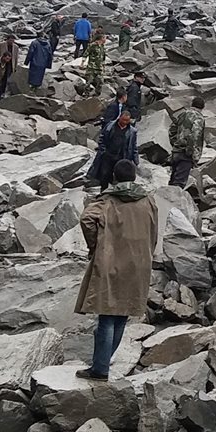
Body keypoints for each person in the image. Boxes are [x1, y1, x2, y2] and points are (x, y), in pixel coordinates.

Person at [74, 159, 158, 380]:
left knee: (107, 315)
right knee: (122, 314)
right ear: (134, 177)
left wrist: (95, 245)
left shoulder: (108, 200)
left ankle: (100, 368)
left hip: (111, 261)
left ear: (114, 177)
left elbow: (86, 219)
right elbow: (153, 231)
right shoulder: (148, 200)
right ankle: (102, 361)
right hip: (139, 262)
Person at [89, 112, 139, 190]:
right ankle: (103, 191)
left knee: (120, 177)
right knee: (105, 175)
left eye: (127, 120)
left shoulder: (132, 131)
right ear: (119, 118)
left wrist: (136, 160)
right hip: (108, 156)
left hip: (122, 157)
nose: (125, 122)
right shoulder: (110, 126)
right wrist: (102, 149)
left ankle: (117, 193)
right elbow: (102, 137)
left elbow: (133, 146)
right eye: (123, 120)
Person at [169, 97, 206, 188]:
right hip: (186, 154)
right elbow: (195, 135)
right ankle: (174, 196)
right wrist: (192, 153)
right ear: (202, 107)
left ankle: (167, 195)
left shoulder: (182, 114)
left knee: (173, 179)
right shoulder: (199, 118)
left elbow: (172, 130)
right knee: (179, 183)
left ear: (192, 104)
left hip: (176, 151)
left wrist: (175, 143)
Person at [0, 34, 18, 99]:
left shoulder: (16, 47)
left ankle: (3, 92)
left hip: (10, 65)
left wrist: (15, 67)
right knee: (0, 77)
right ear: (7, 40)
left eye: (13, 40)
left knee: (7, 78)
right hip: (1, 63)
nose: (11, 42)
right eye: (10, 40)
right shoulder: (1, 45)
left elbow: (16, 58)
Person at [84, 31, 106, 96]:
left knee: (101, 81)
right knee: (89, 81)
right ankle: (86, 94)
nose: (105, 39)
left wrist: (103, 66)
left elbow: (103, 57)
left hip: (99, 67)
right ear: (101, 38)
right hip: (92, 67)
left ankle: (97, 94)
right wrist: (82, 63)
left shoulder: (102, 46)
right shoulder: (92, 45)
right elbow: (86, 54)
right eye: (105, 38)